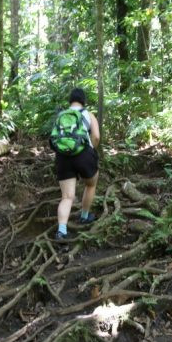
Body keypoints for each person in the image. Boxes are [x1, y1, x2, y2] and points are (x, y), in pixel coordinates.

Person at [54, 88, 100, 240]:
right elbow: (97, 137)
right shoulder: (88, 114)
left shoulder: (61, 115)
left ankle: (61, 230)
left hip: (63, 156)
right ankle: (84, 216)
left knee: (67, 197)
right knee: (91, 184)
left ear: (70, 100)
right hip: (83, 155)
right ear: (83, 100)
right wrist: (91, 150)